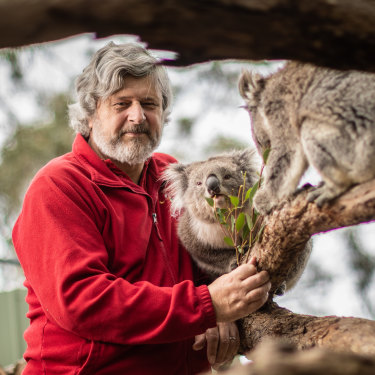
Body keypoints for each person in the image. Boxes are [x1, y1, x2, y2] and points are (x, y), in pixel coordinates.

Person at [12, 42, 271, 375]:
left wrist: (223, 317)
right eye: (121, 104)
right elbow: (83, 302)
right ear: (90, 115)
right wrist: (207, 307)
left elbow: (207, 262)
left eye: (149, 104)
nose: (137, 116)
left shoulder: (175, 177)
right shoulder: (59, 187)